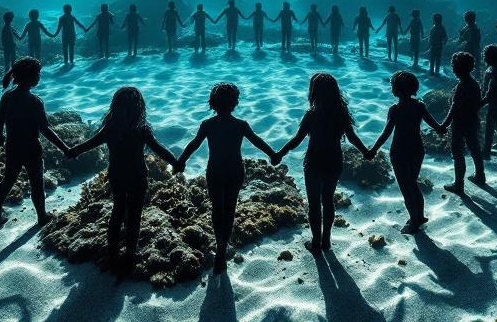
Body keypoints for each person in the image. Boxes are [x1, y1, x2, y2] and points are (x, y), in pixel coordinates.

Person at [68, 87, 178, 274]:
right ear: (139, 106)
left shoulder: (110, 128)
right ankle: (130, 257)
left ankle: (112, 255)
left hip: (116, 175)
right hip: (137, 176)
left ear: (115, 105)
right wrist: (177, 162)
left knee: (118, 211)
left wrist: (72, 151)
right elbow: (158, 149)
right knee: (134, 216)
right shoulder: (142, 129)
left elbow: (90, 144)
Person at [175, 83, 277, 273]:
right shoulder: (240, 125)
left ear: (213, 103)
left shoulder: (208, 125)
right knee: (230, 209)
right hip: (235, 171)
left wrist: (180, 162)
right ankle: (222, 249)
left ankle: (219, 244)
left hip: (215, 171)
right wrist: (273, 154)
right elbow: (257, 141)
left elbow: (194, 144)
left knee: (217, 209)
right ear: (234, 103)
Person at [274, 73, 373, 253]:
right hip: (334, 161)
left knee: (314, 204)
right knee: (328, 201)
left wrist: (279, 153)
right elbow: (352, 137)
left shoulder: (311, 115)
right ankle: (326, 240)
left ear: (313, 92)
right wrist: (366, 152)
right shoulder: (341, 114)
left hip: (314, 161)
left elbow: (297, 140)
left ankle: (315, 242)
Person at [0, 57, 71, 227]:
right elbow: (45, 129)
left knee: (8, 179)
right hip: (31, 148)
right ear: (30, 77)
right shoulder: (35, 102)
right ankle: (42, 217)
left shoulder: (7, 96)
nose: (40, 76)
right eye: (38, 73)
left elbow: (0, 117)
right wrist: (64, 147)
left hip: (12, 146)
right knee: (36, 184)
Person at [367, 71, 445, 233]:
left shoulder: (395, 109)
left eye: (392, 86)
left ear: (397, 89)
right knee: (413, 184)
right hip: (417, 150)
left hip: (400, 152)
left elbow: (386, 132)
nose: (391, 89)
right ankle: (420, 216)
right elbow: (435, 125)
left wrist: (373, 150)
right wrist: (442, 128)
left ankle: (413, 224)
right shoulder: (420, 105)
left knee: (406, 188)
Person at [437, 52, 486, 195]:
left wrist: (444, 125)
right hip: (472, 121)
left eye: (453, 66)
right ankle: (480, 176)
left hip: (459, 124)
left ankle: (459, 185)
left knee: (457, 153)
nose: (452, 69)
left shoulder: (462, 86)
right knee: (474, 148)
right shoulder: (474, 84)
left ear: (457, 68)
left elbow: (454, 107)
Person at [457, 11, 482, 79]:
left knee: (473, 63)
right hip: (472, 47)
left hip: (472, 47)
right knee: (472, 62)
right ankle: (471, 76)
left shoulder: (472, 28)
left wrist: (462, 37)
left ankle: (475, 77)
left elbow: (468, 38)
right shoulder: (468, 27)